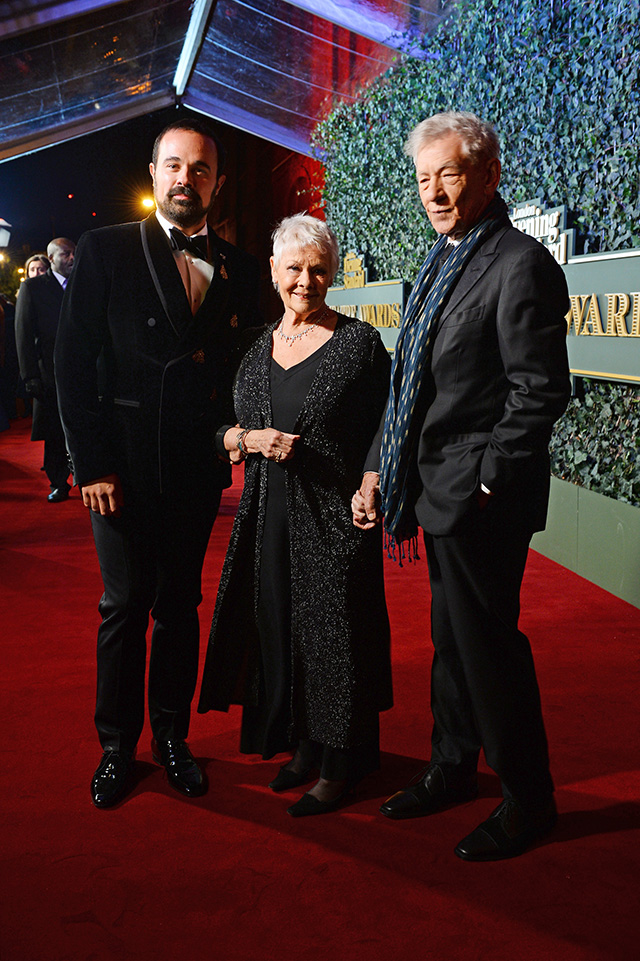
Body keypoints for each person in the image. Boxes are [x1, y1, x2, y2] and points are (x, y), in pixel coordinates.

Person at [352, 111, 571, 859]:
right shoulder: (442, 256)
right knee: (451, 641)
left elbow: (539, 390)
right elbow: (408, 385)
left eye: (449, 174)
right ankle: (451, 766)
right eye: (424, 179)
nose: (435, 193)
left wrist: (487, 482)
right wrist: (379, 466)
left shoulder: (520, 262)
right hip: (432, 489)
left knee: (487, 647)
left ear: (488, 175)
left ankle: (529, 798)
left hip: (481, 500)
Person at [54, 117, 260, 809]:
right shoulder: (106, 249)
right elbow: (72, 365)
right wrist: (91, 464)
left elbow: (241, 370)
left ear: (216, 183)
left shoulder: (238, 268)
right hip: (121, 471)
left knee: (180, 605)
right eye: (173, 165)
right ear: (153, 174)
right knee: (124, 605)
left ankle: (172, 737)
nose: (185, 179)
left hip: (195, 469)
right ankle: (118, 745)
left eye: (199, 169)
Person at [198, 214, 393, 816]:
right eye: (294, 269)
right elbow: (212, 426)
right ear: (273, 272)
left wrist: (372, 479)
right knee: (281, 631)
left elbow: (388, 424)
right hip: (266, 516)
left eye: (318, 270)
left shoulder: (359, 343)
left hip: (335, 514)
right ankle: (304, 748)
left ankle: (341, 764)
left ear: (332, 275)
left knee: (335, 636)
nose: (305, 281)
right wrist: (244, 439)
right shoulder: (253, 347)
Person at [15, 238, 75, 501]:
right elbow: (23, 334)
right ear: (51, 258)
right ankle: (59, 482)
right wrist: (30, 376)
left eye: (74, 253)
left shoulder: (83, 282)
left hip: (84, 371)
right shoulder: (33, 287)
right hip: (48, 374)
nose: (72, 258)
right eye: (65, 254)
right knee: (54, 431)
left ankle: (84, 475)